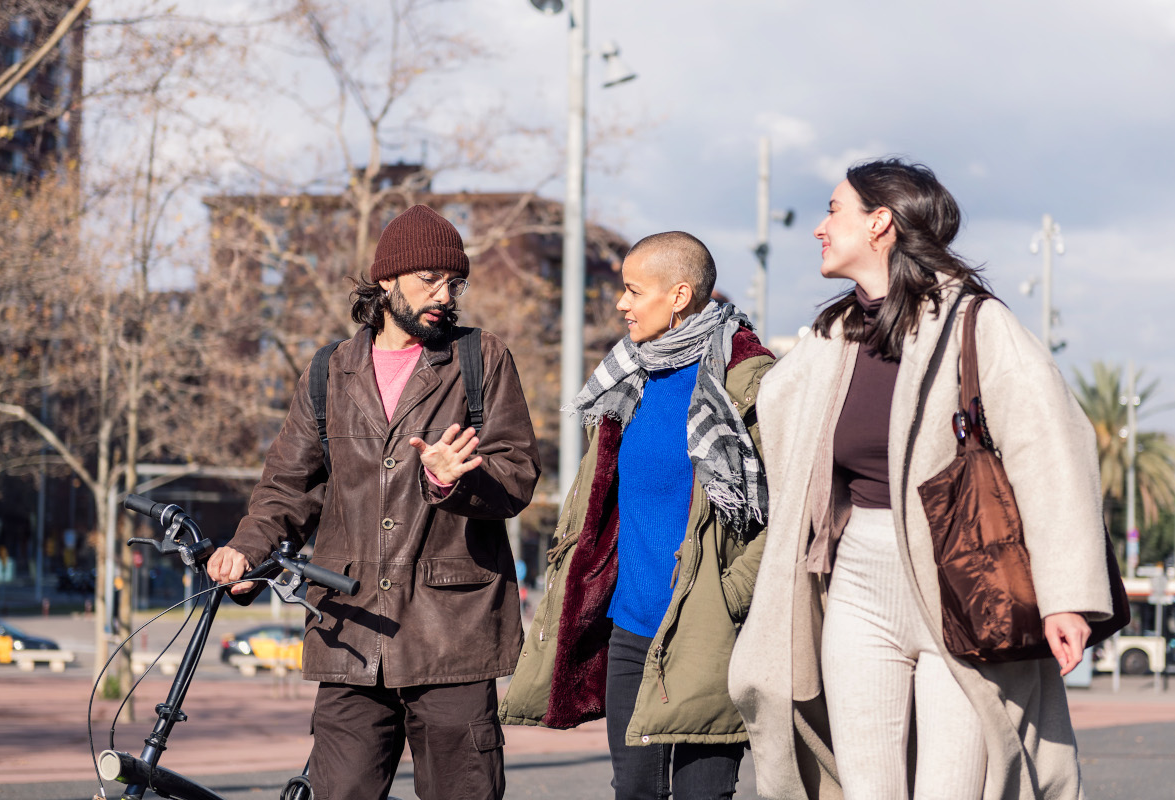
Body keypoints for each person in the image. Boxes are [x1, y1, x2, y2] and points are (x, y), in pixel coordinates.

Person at [728, 159, 1116, 800]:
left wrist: (1065, 596)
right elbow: (775, 423)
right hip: (857, 581)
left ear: (879, 223)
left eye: (834, 210)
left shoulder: (977, 324)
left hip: (960, 587)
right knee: (867, 788)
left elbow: (1052, 450)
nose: (820, 227)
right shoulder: (835, 334)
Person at [207, 204, 541, 800]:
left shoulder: (481, 359)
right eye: (429, 280)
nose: (445, 294)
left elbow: (516, 476)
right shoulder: (330, 371)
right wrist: (245, 551)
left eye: (454, 282)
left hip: (452, 640)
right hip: (349, 631)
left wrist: (453, 481)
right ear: (386, 280)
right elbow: (287, 487)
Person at [500, 231, 775, 799]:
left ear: (678, 295)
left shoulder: (748, 380)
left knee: (704, 794)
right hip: (631, 628)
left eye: (632, 290)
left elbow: (783, 511)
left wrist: (729, 595)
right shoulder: (630, 377)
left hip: (706, 631)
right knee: (634, 794)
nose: (621, 304)